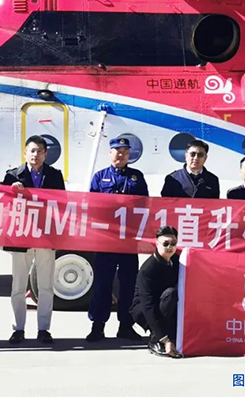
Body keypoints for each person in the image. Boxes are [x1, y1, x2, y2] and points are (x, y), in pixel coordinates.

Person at [0, 135, 65, 345]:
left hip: (46, 236)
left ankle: (43, 329)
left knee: (45, 286)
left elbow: (63, 203)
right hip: (21, 237)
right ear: (25, 153)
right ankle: (17, 328)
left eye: (40, 151)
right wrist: (10, 190)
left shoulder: (54, 176)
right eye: (32, 151)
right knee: (18, 286)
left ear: (46, 154)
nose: (35, 155)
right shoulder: (12, 175)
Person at [86, 137, 149, 342]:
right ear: (110, 152)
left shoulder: (136, 177)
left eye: (125, 151)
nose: (121, 154)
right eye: (117, 150)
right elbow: (92, 205)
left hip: (128, 242)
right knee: (102, 284)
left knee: (128, 284)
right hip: (106, 241)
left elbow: (145, 205)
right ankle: (98, 326)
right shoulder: (100, 177)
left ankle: (126, 326)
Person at [130, 226, 183, 359]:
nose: (169, 247)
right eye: (166, 244)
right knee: (171, 294)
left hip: (165, 304)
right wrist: (163, 338)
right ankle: (156, 339)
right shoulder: (147, 270)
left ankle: (169, 334)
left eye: (173, 243)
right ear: (157, 244)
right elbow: (148, 305)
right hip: (145, 310)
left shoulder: (176, 261)